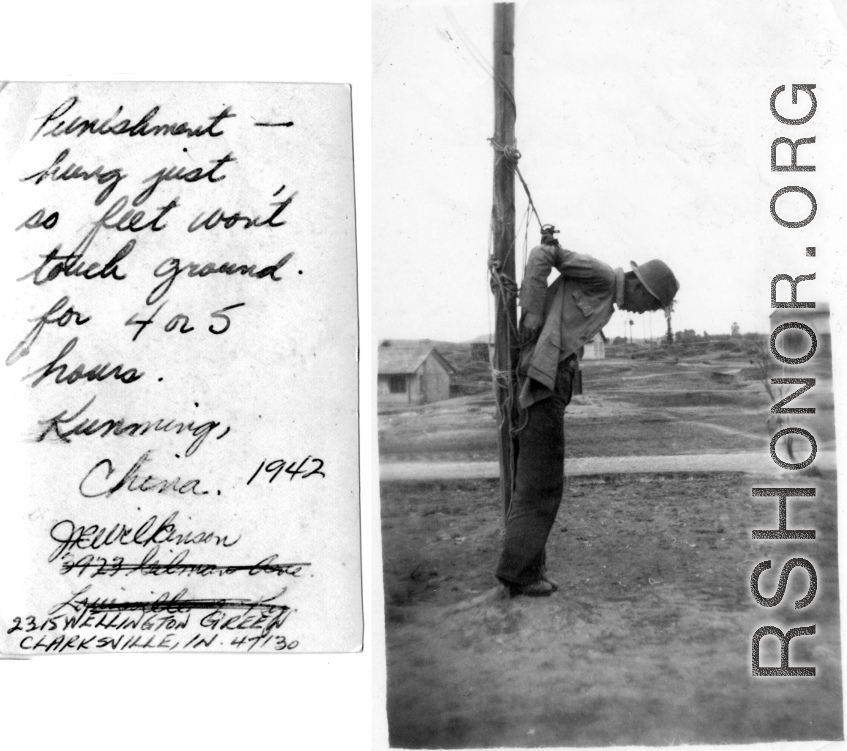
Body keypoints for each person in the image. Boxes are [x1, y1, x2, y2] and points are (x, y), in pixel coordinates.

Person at [496, 226, 680, 596]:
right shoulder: (599, 275)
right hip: (542, 383)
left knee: (538, 480)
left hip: (551, 383)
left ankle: (524, 569)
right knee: (541, 483)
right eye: (650, 304)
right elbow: (542, 255)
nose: (643, 310)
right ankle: (519, 573)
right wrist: (531, 313)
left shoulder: (606, 299)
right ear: (641, 287)